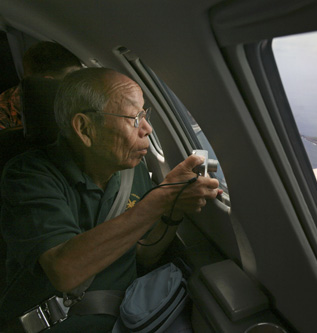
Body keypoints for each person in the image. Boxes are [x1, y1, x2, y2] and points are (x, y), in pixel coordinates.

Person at [0, 68, 221, 331]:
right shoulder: (28, 176)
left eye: (145, 115)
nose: (147, 129)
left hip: (126, 319)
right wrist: (164, 196)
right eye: (135, 117)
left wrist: (174, 208)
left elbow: (144, 255)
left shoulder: (133, 169)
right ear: (85, 128)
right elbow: (64, 270)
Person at [0, 41, 82, 130]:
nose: (76, 87)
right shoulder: (5, 114)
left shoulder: (69, 104)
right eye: (71, 81)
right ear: (48, 81)